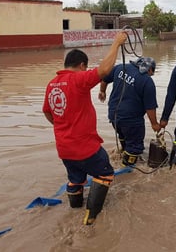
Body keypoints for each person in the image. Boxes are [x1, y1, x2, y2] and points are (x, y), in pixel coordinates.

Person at [42, 31, 127, 225]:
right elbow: (105, 70)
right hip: (85, 147)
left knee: (76, 179)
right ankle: (90, 218)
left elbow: (47, 112)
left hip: (64, 148)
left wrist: (63, 126)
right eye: (85, 68)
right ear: (82, 66)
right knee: (105, 172)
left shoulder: (52, 84)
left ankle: (74, 211)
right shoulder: (78, 80)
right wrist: (116, 43)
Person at [98, 57, 161, 166]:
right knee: (135, 147)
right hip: (131, 120)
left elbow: (104, 78)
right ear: (150, 69)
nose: (151, 75)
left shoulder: (121, 67)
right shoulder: (147, 81)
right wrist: (155, 124)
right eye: (152, 73)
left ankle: (124, 152)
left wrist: (102, 91)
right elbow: (150, 107)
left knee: (123, 135)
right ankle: (126, 170)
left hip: (114, 115)